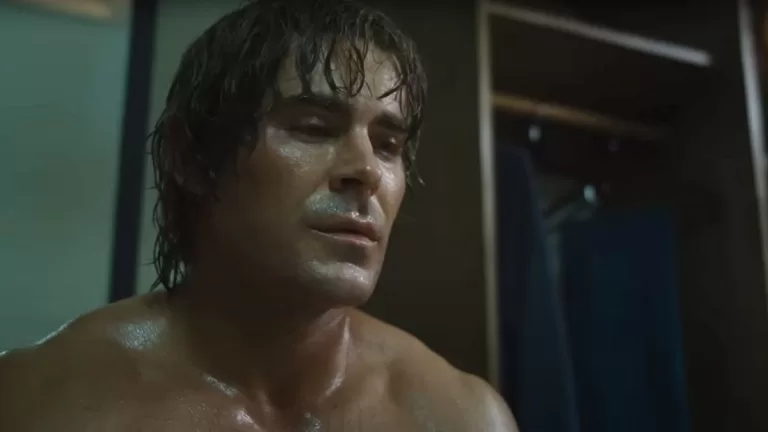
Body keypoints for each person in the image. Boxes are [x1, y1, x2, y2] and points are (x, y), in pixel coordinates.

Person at [0, 1, 518, 430]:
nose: (367, 172)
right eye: (313, 128)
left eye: (388, 145)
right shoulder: (36, 406)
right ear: (192, 158)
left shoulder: (462, 417)